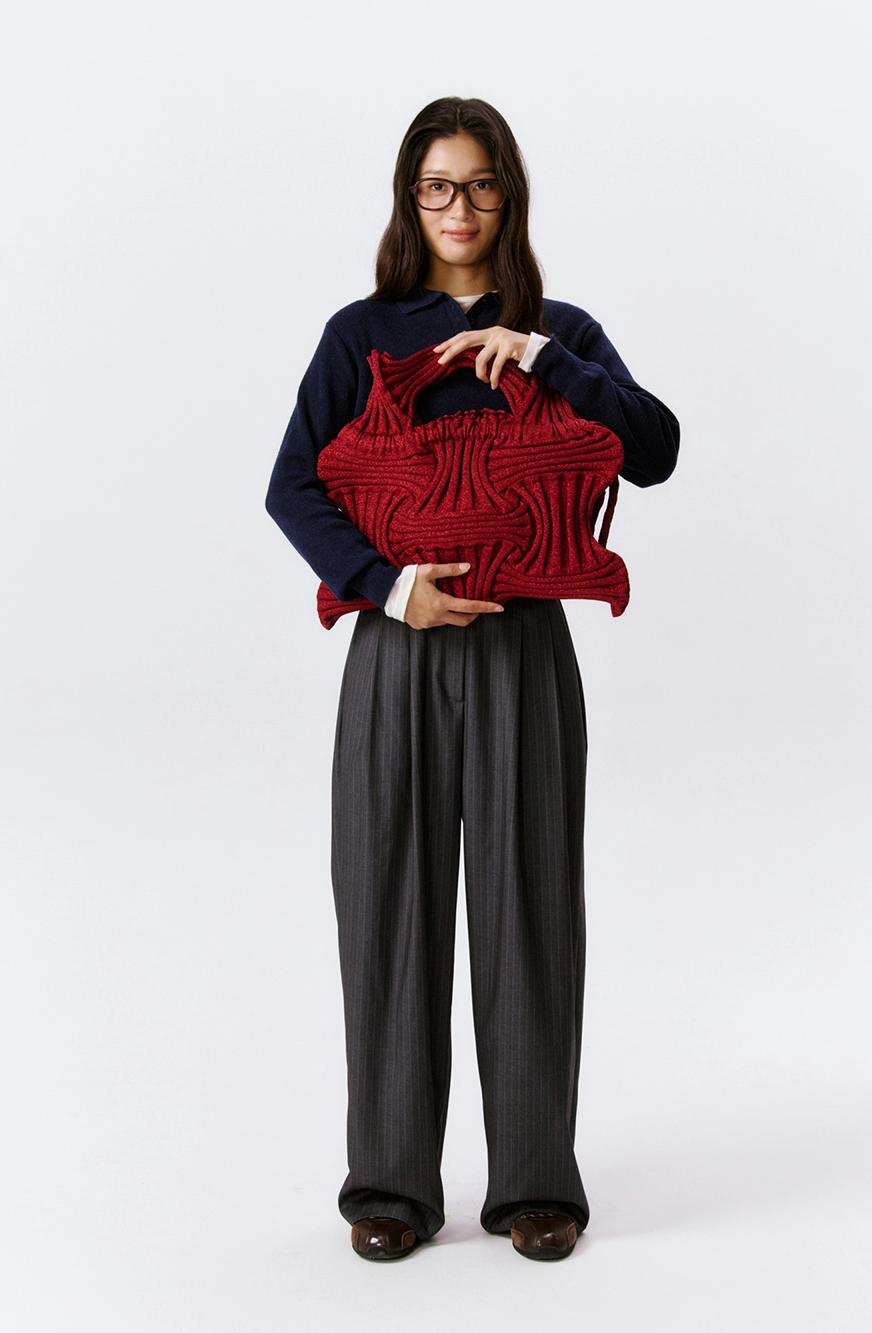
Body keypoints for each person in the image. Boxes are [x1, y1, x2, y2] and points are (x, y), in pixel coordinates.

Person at [266, 96, 679, 1263]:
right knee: (386, 904)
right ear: (411, 199)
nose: (459, 207)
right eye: (437, 186)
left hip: (523, 649)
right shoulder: (360, 334)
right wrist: (388, 585)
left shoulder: (563, 329)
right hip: (393, 649)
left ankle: (536, 1181)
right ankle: (391, 1184)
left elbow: (654, 450)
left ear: (510, 195)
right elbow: (292, 486)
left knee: (529, 904)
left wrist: (543, 358)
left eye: (480, 184)